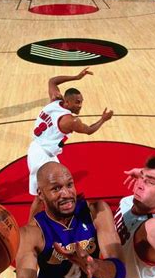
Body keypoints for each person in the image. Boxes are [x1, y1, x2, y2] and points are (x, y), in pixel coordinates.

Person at [27, 67, 113, 220]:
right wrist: (103, 119)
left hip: (40, 148)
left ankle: (64, 207)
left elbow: (52, 81)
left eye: (81, 102)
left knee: (62, 180)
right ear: (67, 102)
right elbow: (89, 130)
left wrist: (76, 77)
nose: (80, 105)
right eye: (77, 102)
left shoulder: (55, 100)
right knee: (40, 196)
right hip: (41, 156)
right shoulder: (70, 120)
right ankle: (32, 225)